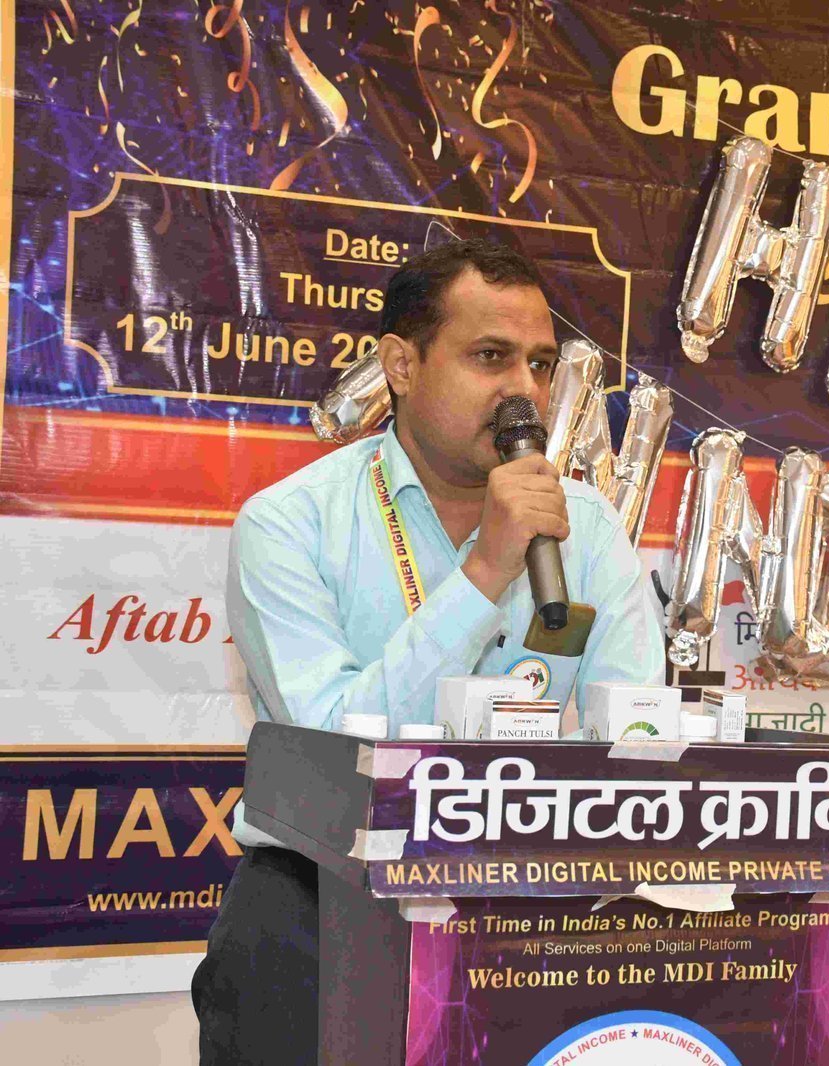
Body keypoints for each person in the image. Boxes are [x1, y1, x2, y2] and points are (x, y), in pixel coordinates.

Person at [192, 239, 666, 1064]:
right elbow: (337, 754)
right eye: (490, 357)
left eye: (540, 364)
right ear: (401, 366)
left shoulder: (587, 529)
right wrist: (486, 572)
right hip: (323, 919)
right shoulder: (291, 523)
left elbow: (633, 740)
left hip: (530, 919)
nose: (524, 390)